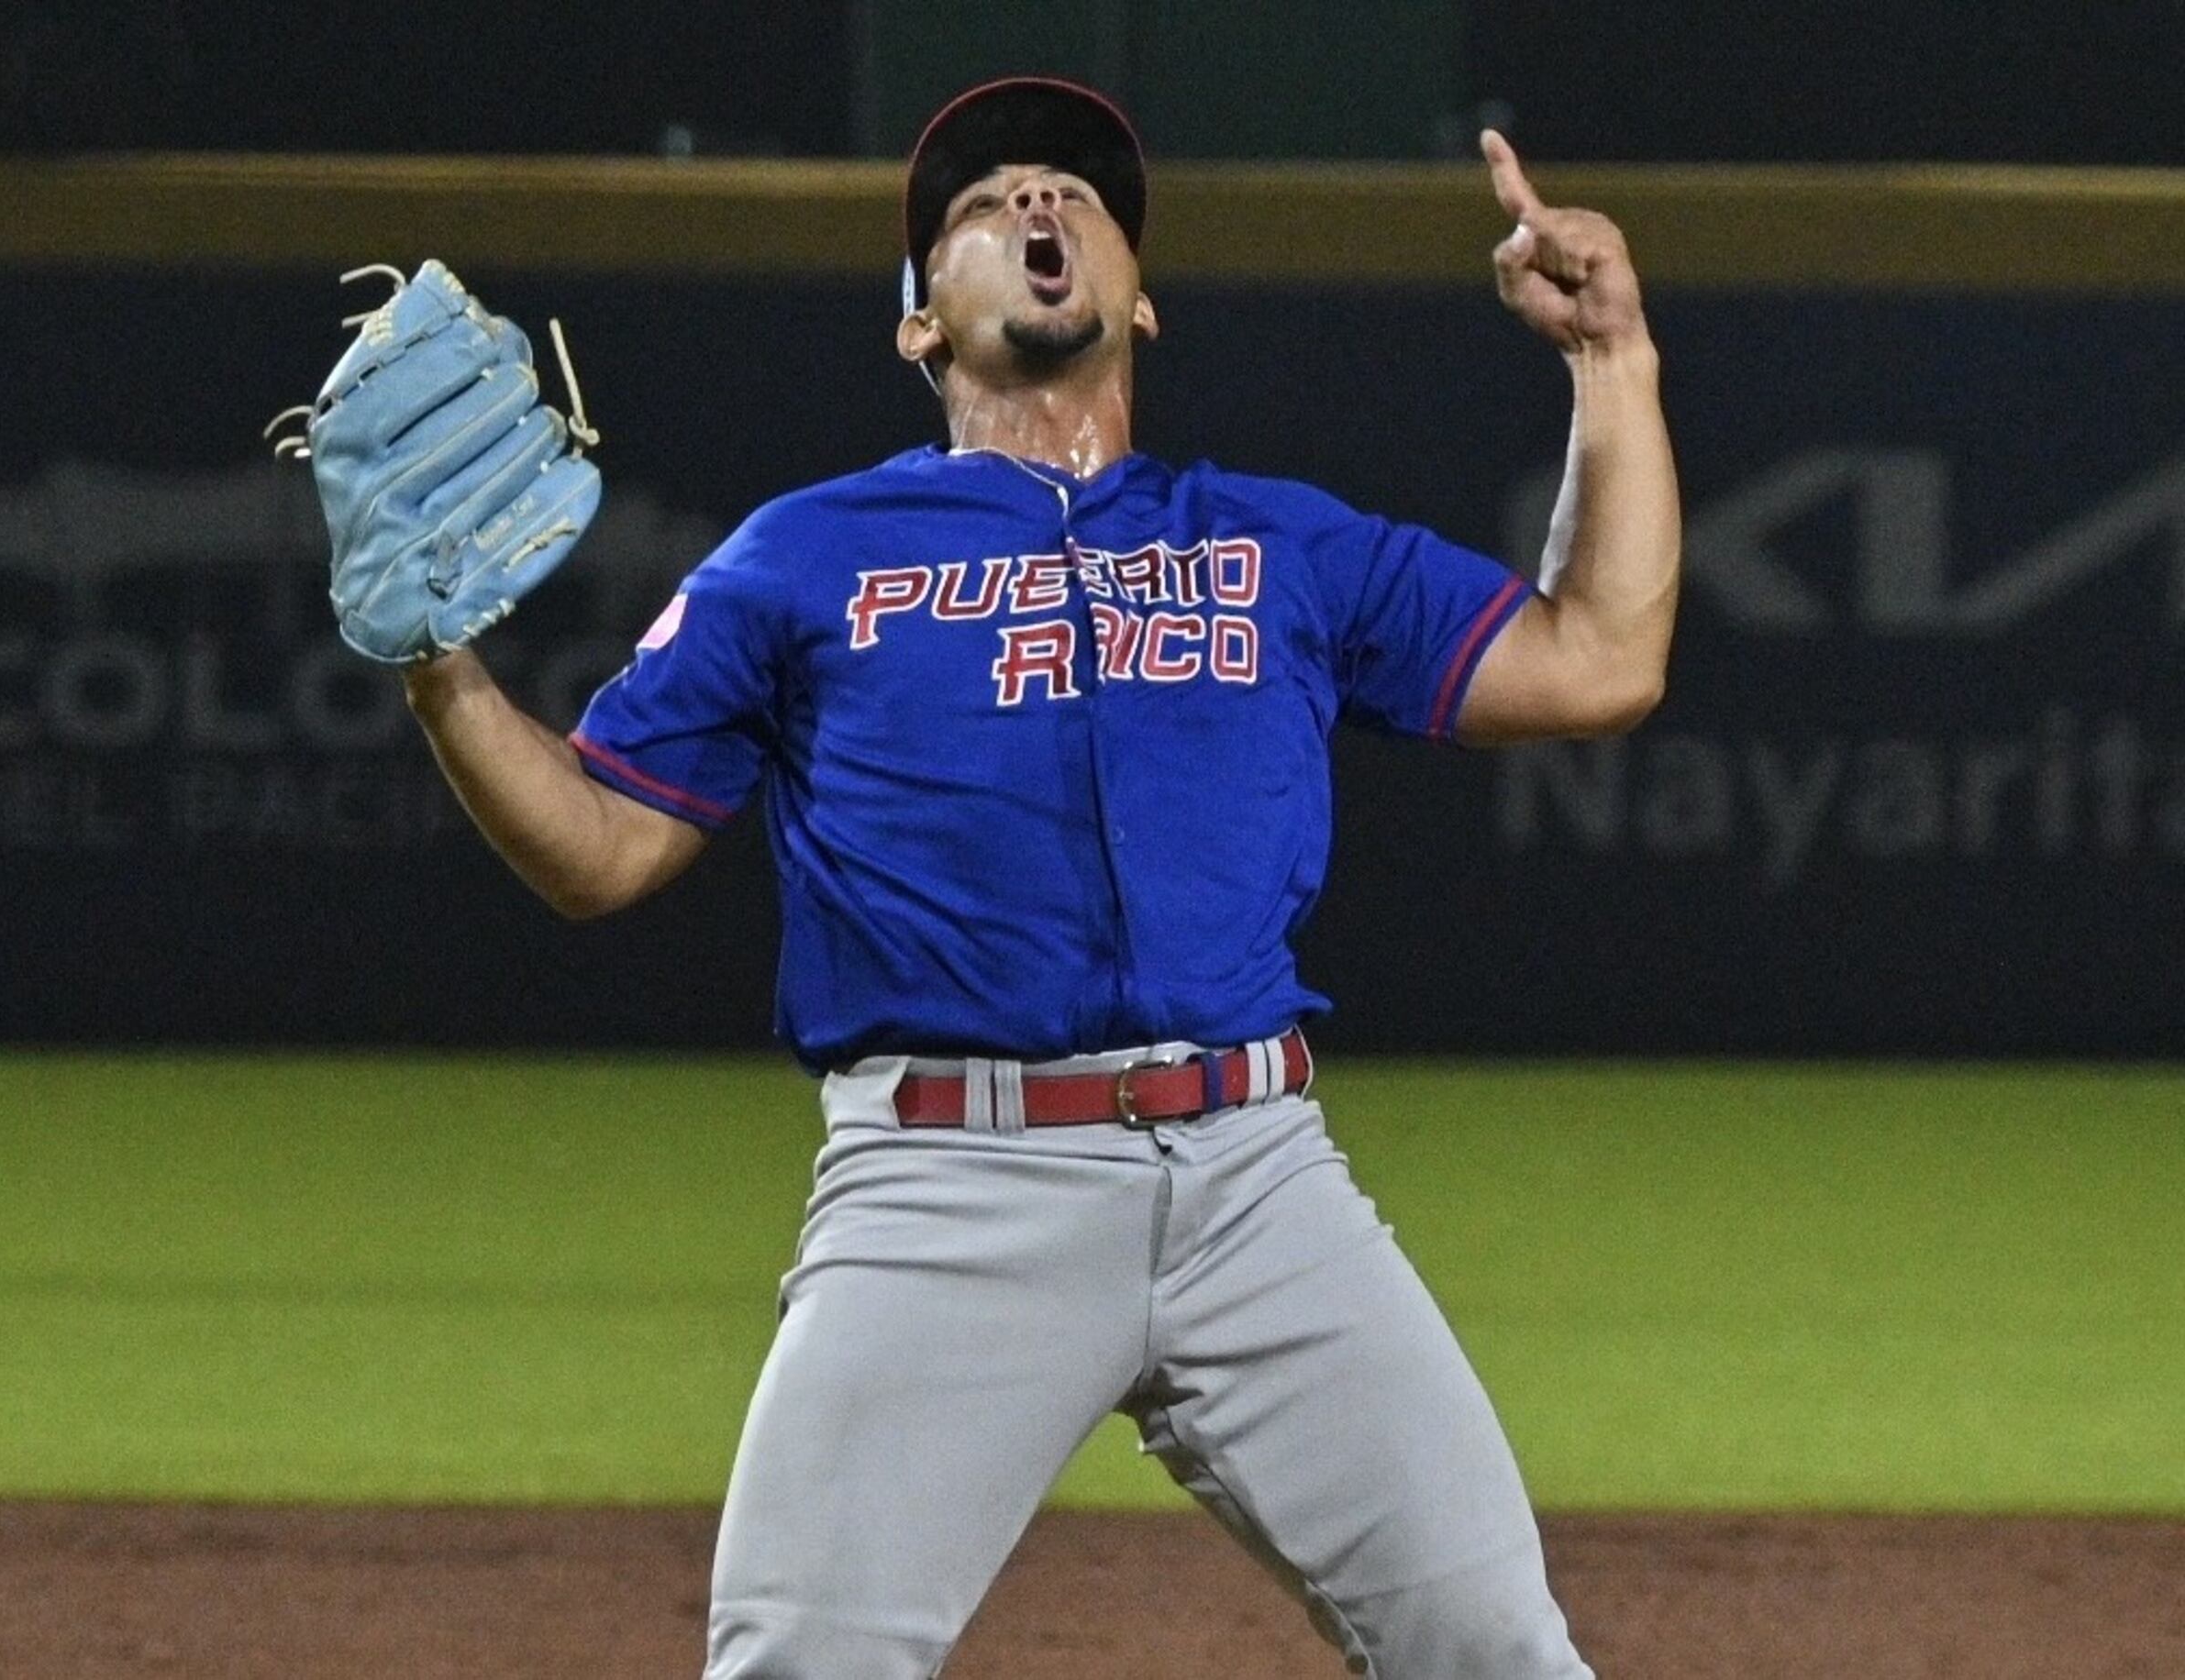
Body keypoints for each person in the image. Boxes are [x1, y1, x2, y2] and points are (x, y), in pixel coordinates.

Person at [398, 76, 1677, 1680]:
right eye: (980, 204)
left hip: (1262, 1185)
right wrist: (438, 670)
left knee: (1501, 1653)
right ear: (920, 324)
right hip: (947, 1195)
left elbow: (1600, 656)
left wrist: (1609, 360)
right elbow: (596, 849)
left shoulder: (1276, 544)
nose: (1035, 206)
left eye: (1075, 195)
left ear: (1143, 296)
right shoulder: (803, 557)